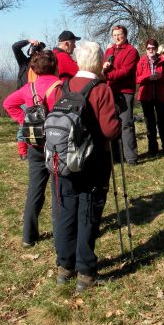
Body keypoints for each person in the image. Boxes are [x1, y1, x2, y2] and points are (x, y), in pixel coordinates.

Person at [52, 41, 122, 291]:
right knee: (87, 214)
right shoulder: (101, 89)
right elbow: (110, 130)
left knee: (65, 213)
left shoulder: (65, 85)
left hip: (63, 160)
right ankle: (85, 273)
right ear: (98, 60)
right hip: (93, 162)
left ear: (79, 61)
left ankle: (64, 267)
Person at [3, 50, 62, 247]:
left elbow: (8, 103)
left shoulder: (29, 88)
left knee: (35, 189)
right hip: (54, 143)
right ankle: (60, 233)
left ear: (35, 69)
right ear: (54, 66)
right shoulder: (59, 86)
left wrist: (24, 122)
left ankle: (29, 235)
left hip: (34, 144)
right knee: (57, 189)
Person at [102, 25, 140, 165]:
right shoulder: (109, 50)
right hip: (110, 90)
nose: (117, 37)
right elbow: (103, 67)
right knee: (113, 123)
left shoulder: (132, 51)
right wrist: (104, 68)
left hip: (125, 91)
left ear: (125, 35)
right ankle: (116, 156)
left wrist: (107, 75)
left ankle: (131, 157)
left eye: (120, 34)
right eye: (114, 35)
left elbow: (126, 71)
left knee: (126, 124)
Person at [136, 38, 164, 156]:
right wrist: (148, 78)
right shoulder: (141, 61)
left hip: (160, 95)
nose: (151, 50)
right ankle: (152, 149)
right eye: (148, 48)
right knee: (149, 124)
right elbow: (137, 78)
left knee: (162, 121)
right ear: (146, 49)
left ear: (157, 49)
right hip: (145, 96)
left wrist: (160, 77)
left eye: (153, 48)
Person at [12, 38, 46, 160]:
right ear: (30, 50)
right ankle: (23, 152)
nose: (36, 51)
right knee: (23, 125)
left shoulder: (43, 65)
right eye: (35, 48)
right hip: (25, 98)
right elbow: (15, 47)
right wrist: (28, 41)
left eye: (39, 49)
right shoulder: (24, 63)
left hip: (39, 98)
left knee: (40, 125)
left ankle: (36, 148)